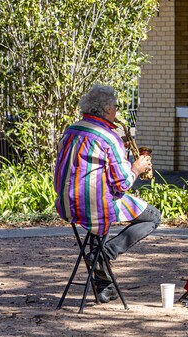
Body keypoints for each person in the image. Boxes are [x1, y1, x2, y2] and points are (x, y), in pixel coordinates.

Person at [54, 85, 161, 302]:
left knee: (96, 230)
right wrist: (137, 168)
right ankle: (106, 253)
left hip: (66, 203)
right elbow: (121, 183)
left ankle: (104, 286)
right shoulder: (108, 136)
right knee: (153, 216)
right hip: (93, 205)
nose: (116, 112)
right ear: (106, 109)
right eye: (115, 107)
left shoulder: (71, 130)